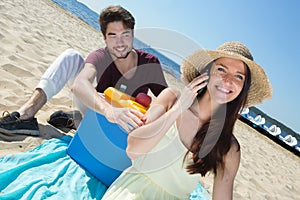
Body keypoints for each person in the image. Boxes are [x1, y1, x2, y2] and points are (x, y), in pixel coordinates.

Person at [101, 41, 273, 199]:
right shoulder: (171, 99)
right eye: (221, 69)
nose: (228, 80)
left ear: (242, 88)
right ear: (207, 73)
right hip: (131, 192)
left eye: (239, 77)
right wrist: (178, 110)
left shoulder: (228, 147)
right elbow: (133, 149)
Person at [0, 5, 167, 135]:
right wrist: (110, 111)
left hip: (129, 125)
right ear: (104, 37)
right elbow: (79, 84)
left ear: (132, 34)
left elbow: (168, 99)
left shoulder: (149, 63)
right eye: (113, 36)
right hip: (102, 113)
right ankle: (26, 114)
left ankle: (75, 121)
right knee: (72, 57)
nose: (120, 43)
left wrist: (152, 111)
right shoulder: (101, 56)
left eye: (125, 34)